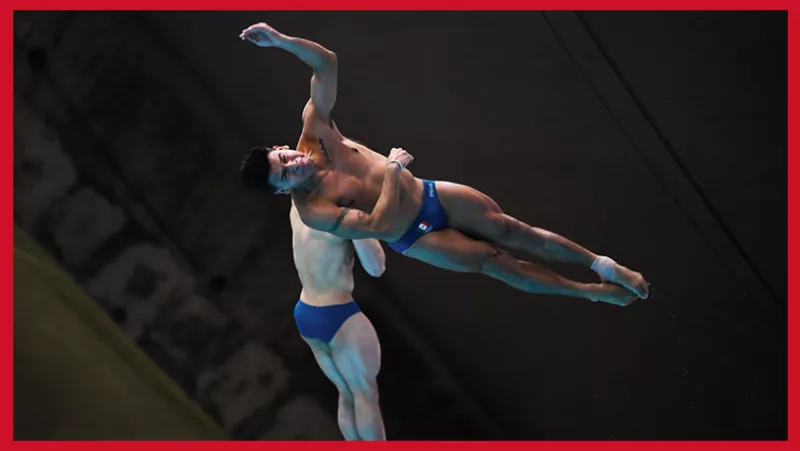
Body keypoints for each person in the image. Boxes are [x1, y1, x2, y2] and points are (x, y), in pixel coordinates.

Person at [239, 22, 650, 307]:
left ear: (281, 147)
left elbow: (326, 62)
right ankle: (588, 292)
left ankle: (604, 266)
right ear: (281, 192)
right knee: (499, 264)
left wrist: (279, 41)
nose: (295, 164)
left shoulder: (315, 128)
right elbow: (379, 227)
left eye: (285, 157)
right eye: (287, 174)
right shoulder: (313, 211)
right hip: (417, 237)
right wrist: (394, 173)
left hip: (432, 193)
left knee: (512, 229)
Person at [289, 200, 387, 440]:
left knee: (346, 391)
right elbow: (376, 267)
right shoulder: (342, 214)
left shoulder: (299, 199)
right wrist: (362, 224)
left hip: (305, 311)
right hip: (337, 313)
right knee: (364, 392)